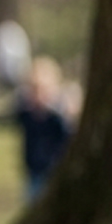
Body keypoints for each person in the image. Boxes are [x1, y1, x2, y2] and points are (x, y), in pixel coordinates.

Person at [9, 56, 74, 201]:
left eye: (42, 91)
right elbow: (6, 119)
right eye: (33, 91)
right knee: (32, 198)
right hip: (33, 168)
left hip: (53, 168)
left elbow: (69, 135)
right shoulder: (25, 114)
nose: (38, 96)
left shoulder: (56, 118)